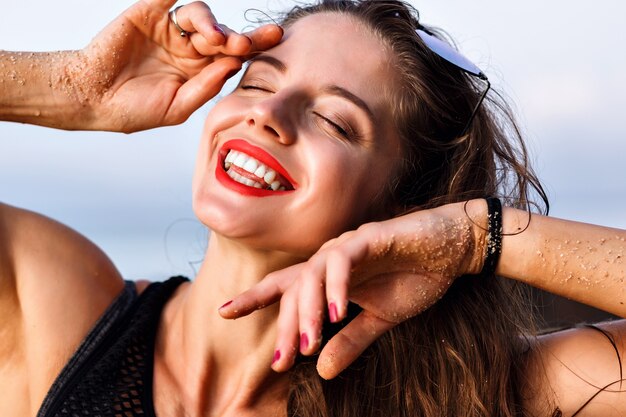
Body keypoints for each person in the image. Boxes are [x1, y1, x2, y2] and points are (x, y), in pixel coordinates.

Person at [0, 1, 624, 417]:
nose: (267, 115)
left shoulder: (465, 393)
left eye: (333, 120)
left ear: (402, 206)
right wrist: (70, 87)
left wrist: (477, 237)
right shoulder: (57, 312)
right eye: (258, 83)